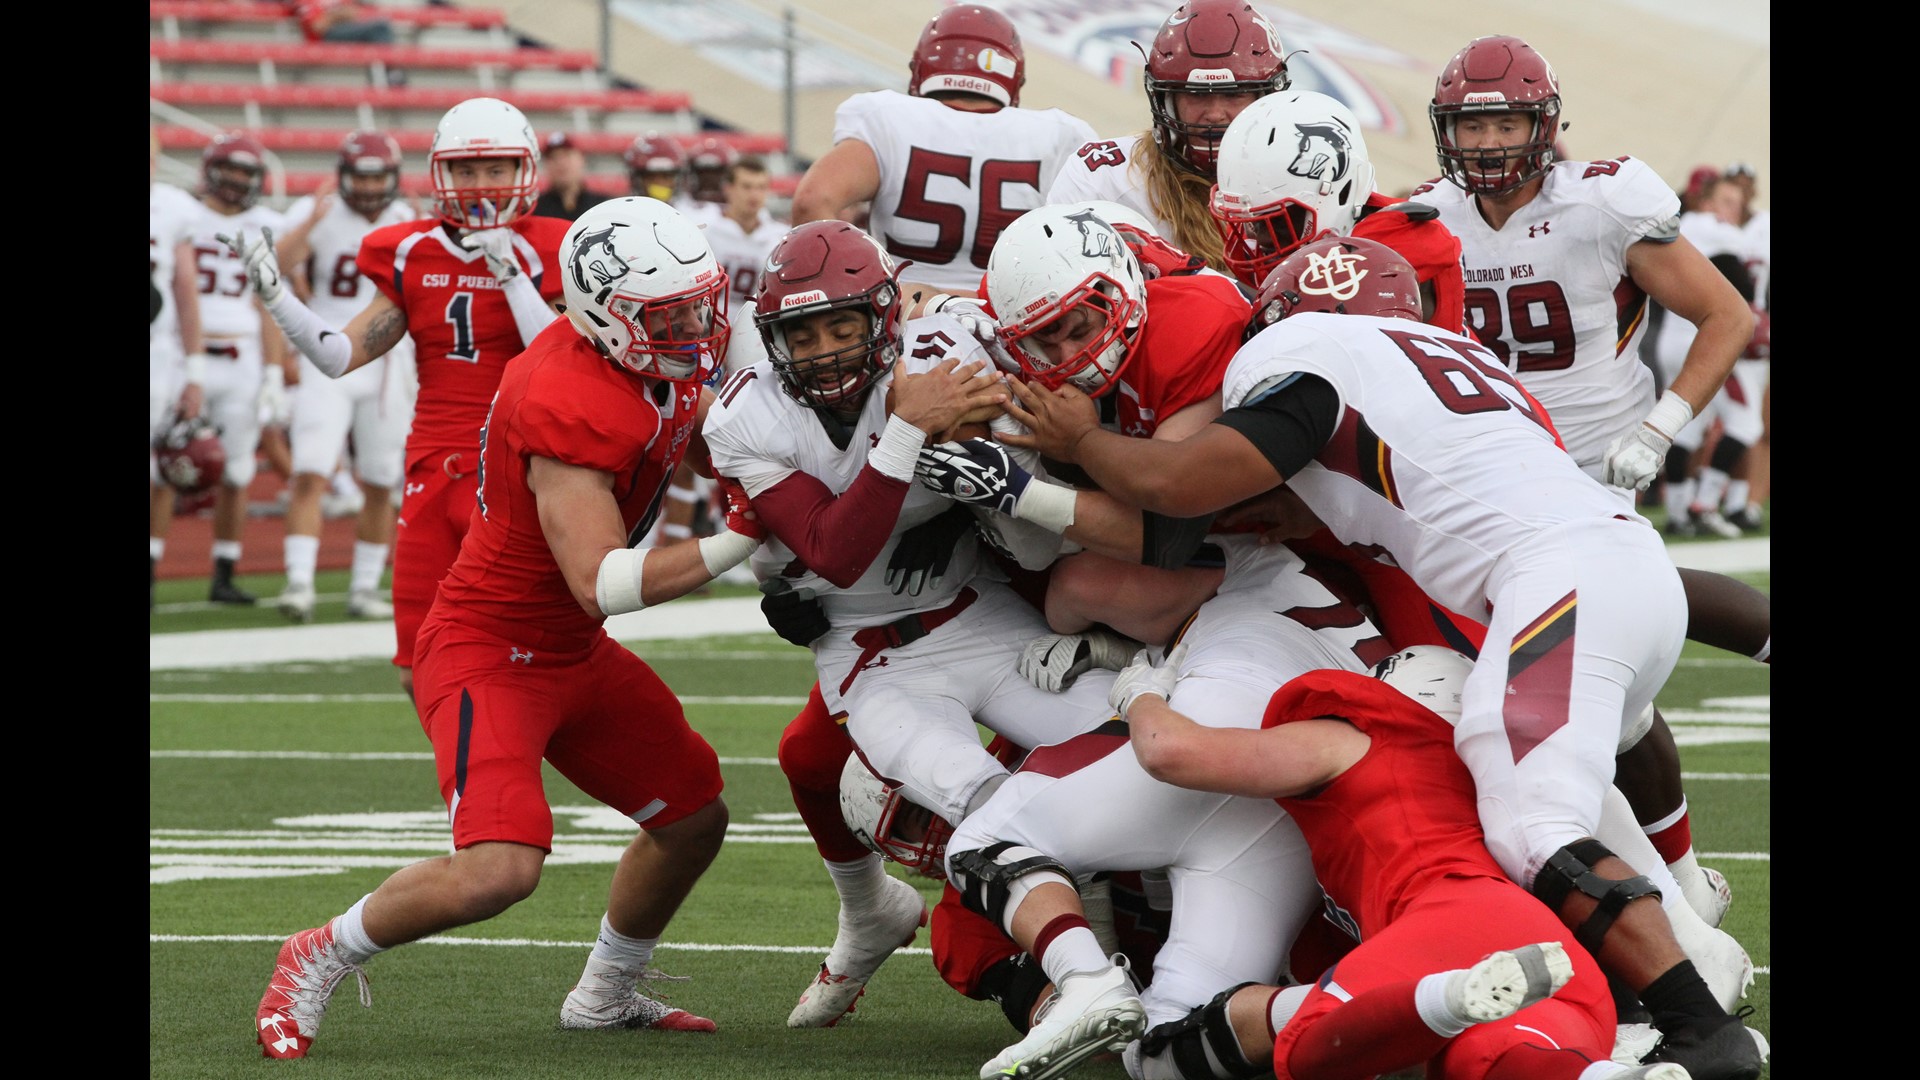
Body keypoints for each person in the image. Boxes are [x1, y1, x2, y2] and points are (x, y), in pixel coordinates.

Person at [920, 236, 1764, 1079]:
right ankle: (1668, 966)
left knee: (1534, 825)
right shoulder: (1464, 359)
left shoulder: (1303, 352)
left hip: (1555, 588)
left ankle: (1681, 1019)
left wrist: (1082, 443)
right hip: (1623, 570)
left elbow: (1178, 492)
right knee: (1524, 775)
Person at [252, 197, 756, 1060]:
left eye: (698, 306)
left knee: (693, 817)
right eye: (667, 316)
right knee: (499, 871)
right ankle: (317, 951)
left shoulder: (633, 358)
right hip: (492, 649)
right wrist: (749, 536)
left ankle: (605, 993)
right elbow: (602, 582)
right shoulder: (567, 392)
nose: (694, 329)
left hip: (569, 649)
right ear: (605, 313)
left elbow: (704, 438)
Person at [702, 219, 1123, 1031]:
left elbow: (1039, 487)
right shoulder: (747, 414)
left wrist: (975, 482)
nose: (823, 350)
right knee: (984, 797)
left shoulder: (951, 349)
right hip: (872, 657)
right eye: (802, 332)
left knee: (1130, 742)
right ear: (772, 337)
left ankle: (1147, 959)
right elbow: (836, 552)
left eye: (841, 326)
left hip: (987, 615)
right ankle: (1088, 979)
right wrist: (907, 433)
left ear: (885, 320)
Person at [1408, 36, 1767, 922]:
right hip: (1483, 464)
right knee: (1612, 691)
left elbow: (1725, 313)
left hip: (1591, 459)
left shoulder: (1601, 203)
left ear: (1544, 122)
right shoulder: (1420, 219)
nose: (1489, 142)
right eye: (1472, 122)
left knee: (1590, 667)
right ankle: (1676, 883)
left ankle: (1668, 894)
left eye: (1504, 120)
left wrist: (1662, 426)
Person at [1114, 645, 1695, 1080]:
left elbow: (1173, 752)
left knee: (1309, 1044)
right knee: (1487, 1058)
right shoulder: (1495, 778)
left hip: (1443, 917)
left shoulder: (1364, 737)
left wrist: (1140, 692)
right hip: (1541, 941)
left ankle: (1445, 997)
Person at [225, 97, 571, 700]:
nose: (480, 184)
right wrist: (278, 299)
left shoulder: (556, 244)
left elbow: (561, 355)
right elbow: (339, 356)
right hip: (434, 469)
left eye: (495, 169)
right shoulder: (411, 249)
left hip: (523, 470)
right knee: (417, 667)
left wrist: (511, 273)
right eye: (465, 169)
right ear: (441, 173)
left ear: (526, 170)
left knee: (532, 652)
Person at [791, 3, 1096, 304]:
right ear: (1014, 76)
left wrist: (861, 298)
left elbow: (811, 203)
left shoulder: (887, 116)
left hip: (901, 318)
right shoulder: (1060, 133)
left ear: (921, 66)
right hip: (1012, 320)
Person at [269, 130, 419, 623]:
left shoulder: (407, 220)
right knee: (309, 469)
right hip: (326, 353)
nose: (372, 189)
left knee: (382, 481)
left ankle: (362, 589)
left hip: (387, 363)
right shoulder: (320, 211)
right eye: (363, 177)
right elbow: (274, 268)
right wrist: (310, 223)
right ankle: (298, 584)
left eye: (380, 178)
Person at [1046, 0, 1290, 271]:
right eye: (1196, 94)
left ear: (1266, 99)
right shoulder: (1108, 180)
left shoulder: (1306, 175)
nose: (1215, 114)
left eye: (1234, 94)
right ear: (1167, 101)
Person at [189, 132, 293, 605]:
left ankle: (224, 571)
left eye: (245, 173)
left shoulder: (266, 225)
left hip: (242, 357)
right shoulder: (180, 216)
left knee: (236, 471)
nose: (235, 181)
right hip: (183, 354)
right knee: (162, 467)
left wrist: (273, 371)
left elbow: (272, 303)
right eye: (229, 170)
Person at [1653, 177, 1752, 540]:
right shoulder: (1714, 228)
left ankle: (1678, 512)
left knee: (1686, 428)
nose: (1733, 211)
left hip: (1670, 338)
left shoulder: (1674, 225)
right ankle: (1706, 503)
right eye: (1726, 201)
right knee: (1746, 424)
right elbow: (1745, 285)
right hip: (1707, 338)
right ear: (1706, 201)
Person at [151, 127, 210, 608]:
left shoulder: (171, 207)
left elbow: (186, 292)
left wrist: (193, 368)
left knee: (160, 466)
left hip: (158, 355)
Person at [533, 131, 610, 222]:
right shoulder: (535, 210)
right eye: (553, 157)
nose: (560, 163)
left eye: (567, 155)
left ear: (582, 159)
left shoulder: (603, 206)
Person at [623, 132, 695, 212]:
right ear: (635, 179)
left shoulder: (692, 217)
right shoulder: (620, 215)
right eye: (651, 177)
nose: (660, 183)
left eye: (666, 176)